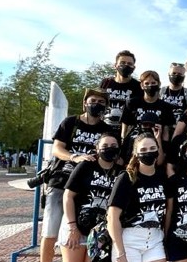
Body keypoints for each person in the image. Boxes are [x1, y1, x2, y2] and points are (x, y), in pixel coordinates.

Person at [41, 88, 112, 262]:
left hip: (88, 187)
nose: (97, 105)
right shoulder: (71, 123)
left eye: (101, 102)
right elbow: (57, 148)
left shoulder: (106, 130)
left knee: (83, 232)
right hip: (61, 180)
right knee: (50, 231)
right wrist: (75, 157)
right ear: (85, 103)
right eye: (93, 101)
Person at [59, 134, 123, 262]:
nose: (109, 148)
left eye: (113, 146)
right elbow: (68, 196)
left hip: (100, 231)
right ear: (97, 148)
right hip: (76, 224)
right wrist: (72, 228)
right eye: (104, 146)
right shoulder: (86, 166)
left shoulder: (121, 173)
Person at [108, 133, 168, 262]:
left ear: (158, 150)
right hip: (129, 240)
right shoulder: (126, 178)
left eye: (152, 148)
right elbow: (112, 217)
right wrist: (120, 252)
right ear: (136, 153)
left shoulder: (163, 177)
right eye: (143, 150)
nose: (148, 153)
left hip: (155, 239)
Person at [120, 70, 175, 152]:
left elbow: (165, 132)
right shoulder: (132, 103)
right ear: (142, 85)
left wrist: (164, 151)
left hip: (155, 146)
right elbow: (125, 127)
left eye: (153, 83)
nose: (150, 86)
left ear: (159, 84)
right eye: (146, 83)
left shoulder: (166, 106)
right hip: (133, 145)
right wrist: (123, 144)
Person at [100, 50, 143, 137]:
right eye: (122, 62)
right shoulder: (106, 83)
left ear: (134, 68)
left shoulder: (138, 86)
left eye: (129, 64)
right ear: (115, 65)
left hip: (127, 131)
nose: (126, 66)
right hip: (104, 129)